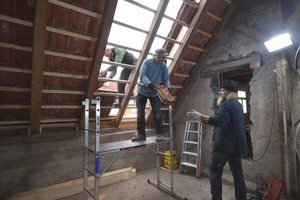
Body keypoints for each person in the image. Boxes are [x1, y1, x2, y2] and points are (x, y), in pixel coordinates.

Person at [187, 80, 247, 200]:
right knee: (238, 174)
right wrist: (206, 120)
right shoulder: (238, 105)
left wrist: (201, 117)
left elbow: (219, 120)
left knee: (214, 172)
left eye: (223, 90)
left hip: (224, 147)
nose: (220, 92)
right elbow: (226, 121)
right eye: (220, 90)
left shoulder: (227, 104)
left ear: (229, 93)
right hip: (236, 147)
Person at [131, 48, 170, 142]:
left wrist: (167, 88)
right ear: (157, 56)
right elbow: (142, 76)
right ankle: (141, 134)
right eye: (163, 57)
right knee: (140, 114)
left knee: (157, 114)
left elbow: (166, 79)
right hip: (142, 91)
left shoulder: (163, 66)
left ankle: (159, 135)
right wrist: (151, 85)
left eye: (164, 57)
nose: (164, 59)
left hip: (155, 93)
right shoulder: (147, 62)